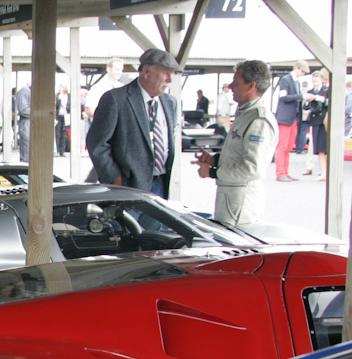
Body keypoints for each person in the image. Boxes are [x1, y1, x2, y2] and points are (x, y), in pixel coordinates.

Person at [86, 48, 182, 200]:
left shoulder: (170, 103)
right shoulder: (116, 99)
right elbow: (96, 143)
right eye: (165, 73)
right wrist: (115, 179)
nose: (169, 80)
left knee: (155, 225)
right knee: (128, 225)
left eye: (172, 74)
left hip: (160, 186)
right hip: (127, 188)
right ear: (146, 72)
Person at [194, 60, 278, 227]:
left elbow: (252, 168)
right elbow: (239, 153)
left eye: (236, 82)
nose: (231, 86)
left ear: (251, 85)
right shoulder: (246, 114)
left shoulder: (259, 120)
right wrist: (215, 160)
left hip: (240, 206)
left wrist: (212, 172)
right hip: (231, 200)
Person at [273, 59, 309, 182]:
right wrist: (302, 96)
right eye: (303, 71)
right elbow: (284, 97)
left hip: (293, 118)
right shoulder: (285, 80)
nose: (303, 74)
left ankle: (285, 172)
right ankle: (280, 173)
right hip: (284, 118)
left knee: (288, 147)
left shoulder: (297, 82)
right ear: (297, 68)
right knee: (281, 146)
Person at [302, 69, 330, 181]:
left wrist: (318, 98)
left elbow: (329, 103)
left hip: (324, 121)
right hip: (315, 122)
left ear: (321, 80)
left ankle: (325, 173)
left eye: (317, 81)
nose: (315, 83)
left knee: (324, 149)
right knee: (319, 150)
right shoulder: (310, 91)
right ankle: (323, 173)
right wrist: (307, 100)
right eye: (313, 81)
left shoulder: (326, 90)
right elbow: (306, 107)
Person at [15, 84, 31, 162]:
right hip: (27, 122)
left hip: (33, 121)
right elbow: (23, 109)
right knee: (27, 148)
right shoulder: (25, 91)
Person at [55, 84, 69, 157]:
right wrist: (59, 99)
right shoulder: (57, 96)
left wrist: (66, 107)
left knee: (64, 134)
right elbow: (56, 105)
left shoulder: (68, 96)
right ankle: (57, 150)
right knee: (57, 133)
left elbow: (69, 105)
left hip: (65, 116)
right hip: (58, 116)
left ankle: (62, 151)